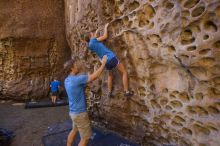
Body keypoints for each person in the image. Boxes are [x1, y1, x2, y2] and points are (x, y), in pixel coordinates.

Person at [64, 55, 107, 146]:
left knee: (74, 130)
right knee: (85, 138)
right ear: (72, 68)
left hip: (73, 113)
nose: (77, 65)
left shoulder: (67, 80)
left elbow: (89, 79)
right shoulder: (77, 80)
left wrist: (94, 70)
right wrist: (103, 64)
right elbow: (93, 77)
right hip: (80, 114)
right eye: (75, 64)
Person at [82, 23, 133, 98]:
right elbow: (105, 36)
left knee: (110, 75)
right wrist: (105, 27)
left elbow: (95, 40)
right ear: (90, 35)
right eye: (91, 33)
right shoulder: (94, 40)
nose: (93, 33)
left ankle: (109, 92)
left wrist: (96, 32)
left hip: (105, 61)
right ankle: (126, 91)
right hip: (110, 57)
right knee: (124, 72)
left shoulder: (90, 45)